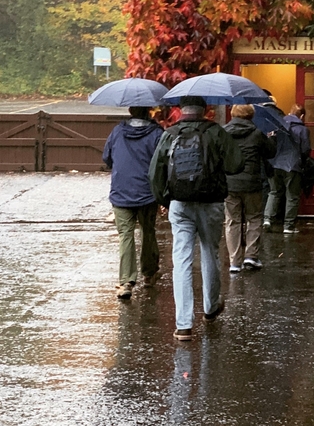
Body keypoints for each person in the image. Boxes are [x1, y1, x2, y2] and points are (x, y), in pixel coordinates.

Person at [148, 95, 243, 341]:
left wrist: (165, 201)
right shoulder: (216, 132)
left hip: (179, 203)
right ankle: (211, 309)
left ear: (181, 110)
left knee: (181, 259)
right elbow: (236, 165)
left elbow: (155, 172)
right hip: (211, 203)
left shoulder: (170, 133)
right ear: (205, 110)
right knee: (210, 252)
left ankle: (184, 325)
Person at [102, 106, 163, 300]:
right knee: (148, 231)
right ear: (149, 111)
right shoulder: (157, 133)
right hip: (148, 192)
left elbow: (107, 158)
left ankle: (126, 281)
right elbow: (162, 162)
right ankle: (149, 273)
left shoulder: (118, 131)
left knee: (125, 235)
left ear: (130, 111)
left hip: (121, 191)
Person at [223, 104, 277, 273]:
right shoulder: (256, 134)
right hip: (252, 183)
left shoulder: (223, 133)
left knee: (232, 221)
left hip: (230, 184)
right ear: (251, 116)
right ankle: (251, 257)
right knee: (254, 218)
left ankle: (234, 261)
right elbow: (270, 153)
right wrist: (272, 138)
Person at [263, 103, 311, 234]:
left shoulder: (277, 126)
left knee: (274, 192)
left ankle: (267, 219)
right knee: (292, 196)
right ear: (301, 116)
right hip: (292, 165)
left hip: (275, 163)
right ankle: (288, 226)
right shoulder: (302, 130)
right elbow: (305, 149)